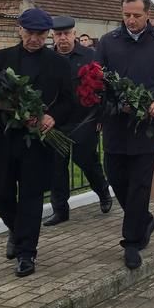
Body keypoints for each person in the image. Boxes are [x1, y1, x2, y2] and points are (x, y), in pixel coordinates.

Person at [96, 0, 154, 270]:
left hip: (148, 126)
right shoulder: (108, 42)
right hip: (116, 124)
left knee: (139, 184)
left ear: (148, 14)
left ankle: (132, 242)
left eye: (136, 15)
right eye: (127, 15)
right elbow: (97, 78)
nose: (131, 20)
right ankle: (145, 220)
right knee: (116, 177)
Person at [0, 8, 74, 277]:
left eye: (40, 34)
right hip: (2, 135)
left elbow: (69, 101)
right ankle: (18, 230)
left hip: (36, 142)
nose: (34, 38)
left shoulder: (58, 63)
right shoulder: (0, 59)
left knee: (32, 196)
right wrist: (8, 109)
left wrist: (51, 117)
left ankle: (26, 254)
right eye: (30, 33)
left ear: (47, 35)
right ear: (19, 29)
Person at [42, 15, 112, 227]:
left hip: (85, 119)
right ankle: (60, 210)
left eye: (66, 34)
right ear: (53, 36)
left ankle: (103, 192)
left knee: (86, 160)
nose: (62, 38)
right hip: (55, 122)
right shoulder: (47, 59)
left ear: (74, 33)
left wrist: (101, 116)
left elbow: (104, 88)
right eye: (58, 34)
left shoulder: (90, 56)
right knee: (56, 166)